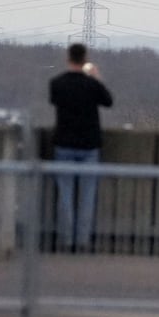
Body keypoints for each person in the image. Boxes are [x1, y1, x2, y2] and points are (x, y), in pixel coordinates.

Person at [48, 42, 113, 250]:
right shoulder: (92, 85)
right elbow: (108, 101)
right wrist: (95, 78)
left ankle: (66, 240)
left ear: (68, 58)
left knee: (65, 195)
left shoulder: (57, 83)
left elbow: (54, 101)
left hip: (64, 142)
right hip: (89, 144)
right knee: (87, 196)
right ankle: (82, 241)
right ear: (85, 59)